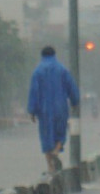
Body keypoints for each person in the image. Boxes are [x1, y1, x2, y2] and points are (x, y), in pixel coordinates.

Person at [26, 45, 80, 177]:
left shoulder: (38, 71)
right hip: (61, 106)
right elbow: (71, 87)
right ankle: (57, 150)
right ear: (54, 55)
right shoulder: (62, 70)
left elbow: (34, 91)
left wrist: (32, 110)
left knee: (46, 136)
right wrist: (75, 102)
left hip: (44, 109)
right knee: (60, 132)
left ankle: (50, 166)